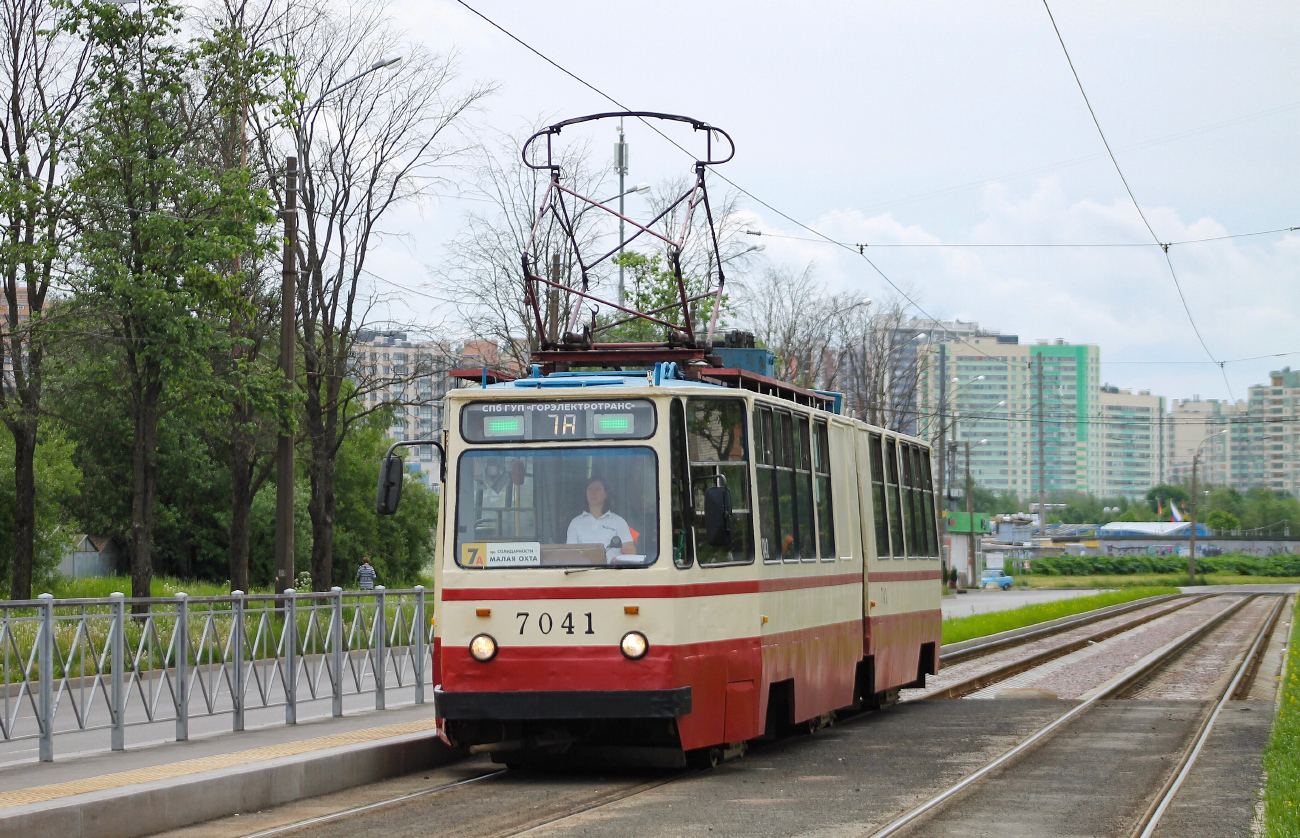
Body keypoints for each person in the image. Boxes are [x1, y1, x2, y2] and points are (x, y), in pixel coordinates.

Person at [566, 477, 636, 560]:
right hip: (583, 571)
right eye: (590, 489)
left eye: (598, 489)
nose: (593, 492)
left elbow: (630, 551)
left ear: (606, 494)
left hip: (612, 571)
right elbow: (570, 554)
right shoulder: (575, 523)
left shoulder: (618, 521)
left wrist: (618, 562)